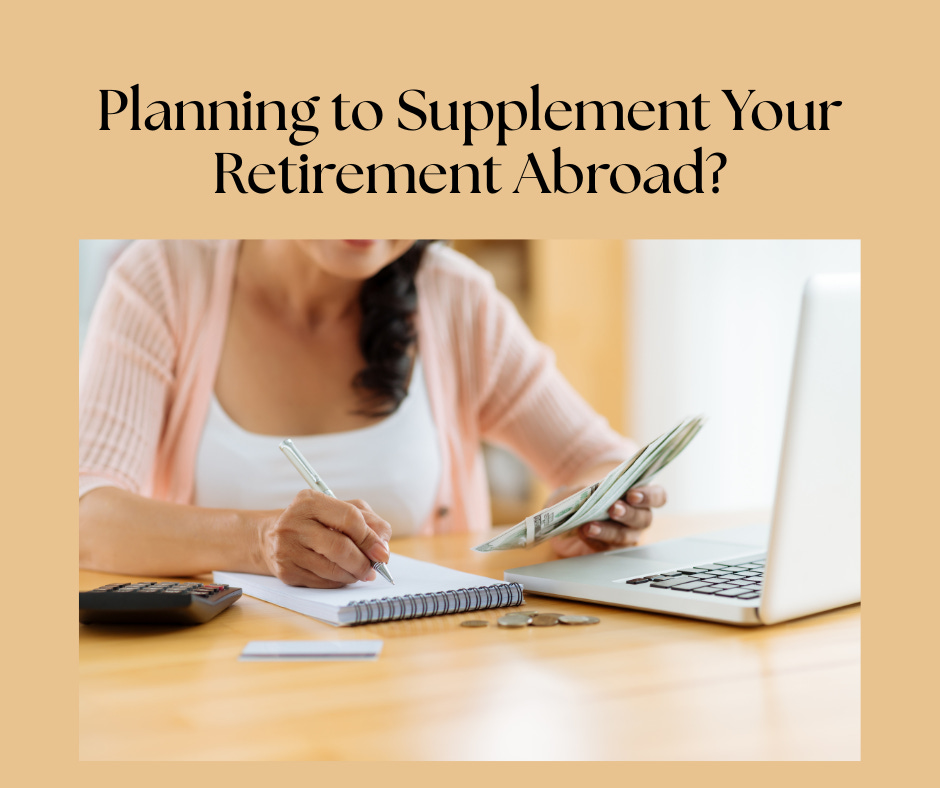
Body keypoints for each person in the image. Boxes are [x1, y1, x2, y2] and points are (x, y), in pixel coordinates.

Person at [78, 240, 666, 588]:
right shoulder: (166, 278)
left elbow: (600, 458)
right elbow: (83, 516)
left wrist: (599, 508)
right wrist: (258, 541)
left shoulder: (453, 296)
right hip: (207, 683)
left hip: (420, 676)